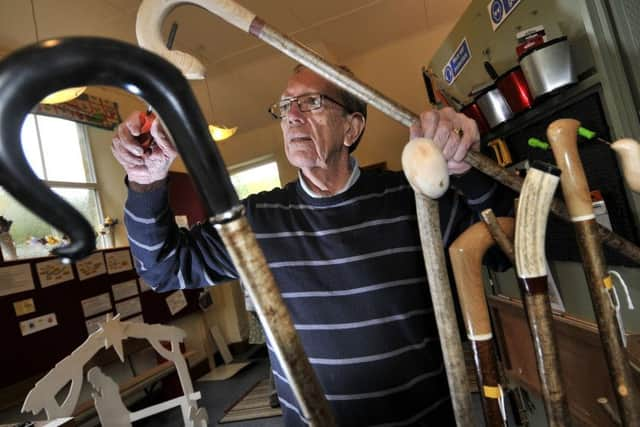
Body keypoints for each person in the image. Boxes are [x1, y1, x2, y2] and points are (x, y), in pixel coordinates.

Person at [111, 65, 511, 426]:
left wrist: (468, 167)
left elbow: (503, 248)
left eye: (311, 102)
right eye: (285, 107)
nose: (292, 116)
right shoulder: (257, 221)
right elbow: (162, 268)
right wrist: (145, 181)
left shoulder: (411, 199)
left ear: (351, 128)